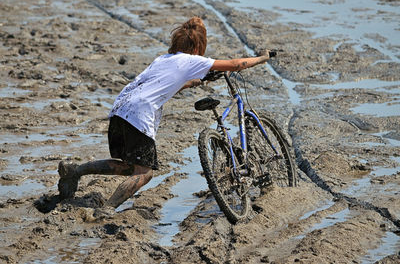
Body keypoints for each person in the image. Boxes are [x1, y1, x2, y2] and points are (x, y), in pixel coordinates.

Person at [57, 16, 273, 212]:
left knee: (129, 167)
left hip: (120, 108)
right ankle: (107, 209)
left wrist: (189, 83)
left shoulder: (163, 59)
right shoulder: (193, 61)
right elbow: (236, 65)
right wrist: (262, 58)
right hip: (140, 114)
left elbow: (161, 84)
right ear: (198, 47)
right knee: (144, 173)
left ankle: (75, 170)